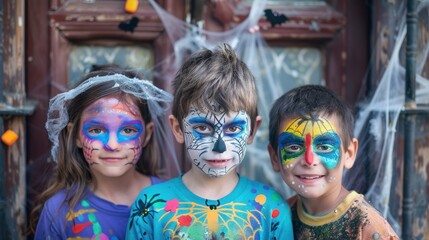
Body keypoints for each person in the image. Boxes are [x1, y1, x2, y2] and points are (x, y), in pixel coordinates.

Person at [126, 43, 294, 239]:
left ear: (251, 131)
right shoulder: (150, 207)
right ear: (178, 129)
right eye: (202, 128)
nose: (219, 146)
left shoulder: (271, 208)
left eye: (233, 128)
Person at [29, 66, 174, 239]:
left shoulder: (172, 201)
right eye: (97, 130)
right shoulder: (58, 212)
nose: (112, 145)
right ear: (76, 135)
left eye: (128, 130)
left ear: (147, 134)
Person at [267, 85, 399, 239]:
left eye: (324, 147)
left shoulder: (367, 226)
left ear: (348, 154)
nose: (309, 161)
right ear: (275, 157)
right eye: (294, 147)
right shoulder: (280, 217)